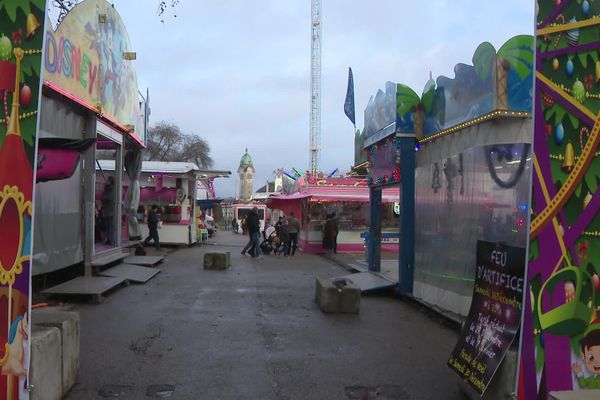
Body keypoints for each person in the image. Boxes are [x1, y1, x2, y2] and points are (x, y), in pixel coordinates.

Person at [100, 176, 115, 245]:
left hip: (109, 210)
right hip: (108, 210)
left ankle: (110, 239)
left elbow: (107, 198)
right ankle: (109, 239)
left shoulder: (111, 189)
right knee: (108, 226)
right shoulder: (108, 189)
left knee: (110, 226)